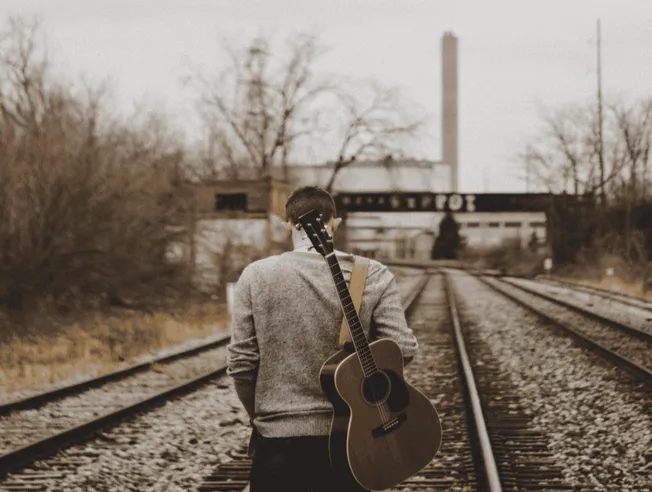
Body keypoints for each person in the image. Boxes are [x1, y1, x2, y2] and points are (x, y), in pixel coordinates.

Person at [227, 185, 419, 492]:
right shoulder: (373, 274)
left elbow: (241, 364)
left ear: (286, 224)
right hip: (354, 443)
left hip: (278, 443)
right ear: (336, 223)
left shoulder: (255, 276)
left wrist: (260, 417)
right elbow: (403, 349)